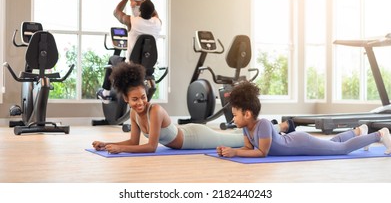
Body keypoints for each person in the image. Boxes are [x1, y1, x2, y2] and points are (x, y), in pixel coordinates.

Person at [92, 62, 293, 153]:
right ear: (126, 99)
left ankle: (281, 127)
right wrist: (107, 144)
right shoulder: (135, 115)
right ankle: (277, 127)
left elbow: (151, 147)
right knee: (243, 137)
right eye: (134, 99)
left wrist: (120, 149)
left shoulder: (155, 111)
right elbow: (133, 141)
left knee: (240, 138)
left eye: (143, 97)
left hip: (196, 138)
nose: (140, 102)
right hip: (185, 133)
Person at [217, 81, 391, 158]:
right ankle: (359, 131)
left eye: (235, 115)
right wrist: (228, 150)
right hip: (295, 141)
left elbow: (262, 153)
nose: (233, 119)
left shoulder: (262, 124)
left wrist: (235, 153)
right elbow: (248, 148)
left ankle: (380, 135)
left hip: (300, 143)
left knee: (341, 149)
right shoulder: (247, 128)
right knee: (333, 142)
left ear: (247, 114)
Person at [96, 0, 162, 103]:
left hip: (130, 67)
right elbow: (153, 12)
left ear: (140, 10)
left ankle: (105, 94)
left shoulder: (132, 21)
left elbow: (116, 12)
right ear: (152, 11)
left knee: (112, 59)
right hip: (148, 68)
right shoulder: (158, 22)